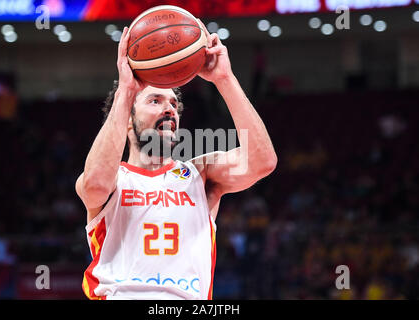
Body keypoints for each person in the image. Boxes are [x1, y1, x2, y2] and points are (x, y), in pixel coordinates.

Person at [75, 19, 277, 300]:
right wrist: (126, 92)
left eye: (174, 103)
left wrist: (225, 79)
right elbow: (95, 185)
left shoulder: (200, 173)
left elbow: (262, 162)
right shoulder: (113, 179)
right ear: (129, 122)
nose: (170, 109)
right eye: (155, 101)